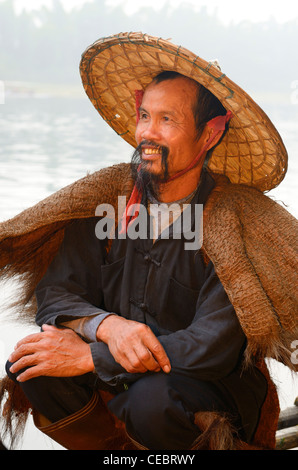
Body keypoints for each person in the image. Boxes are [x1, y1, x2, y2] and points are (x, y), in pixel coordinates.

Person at [1, 32, 297, 451]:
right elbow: (57, 294)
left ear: (210, 134)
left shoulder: (235, 221)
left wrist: (90, 356)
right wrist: (107, 326)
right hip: (120, 386)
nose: (147, 133)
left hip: (204, 394)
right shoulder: (106, 199)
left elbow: (210, 347)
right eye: (144, 116)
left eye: (167, 120)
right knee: (32, 364)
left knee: (152, 401)